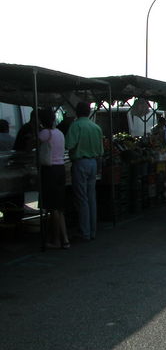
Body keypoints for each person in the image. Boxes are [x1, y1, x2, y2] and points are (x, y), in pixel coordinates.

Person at [65, 101, 104, 242]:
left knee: (82, 199)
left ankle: (84, 232)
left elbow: (69, 144)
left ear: (76, 112)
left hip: (80, 163)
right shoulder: (96, 127)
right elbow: (101, 151)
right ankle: (92, 231)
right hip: (93, 162)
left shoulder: (76, 126)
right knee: (91, 197)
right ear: (88, 112)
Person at [38, 109, 69, 249]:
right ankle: (65, 240)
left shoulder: (44, 133)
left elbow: (30, 146)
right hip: (61, 169)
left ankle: (56, 240)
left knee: (53, 207)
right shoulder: (60, 133)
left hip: (50, 170)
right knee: (59, 207)